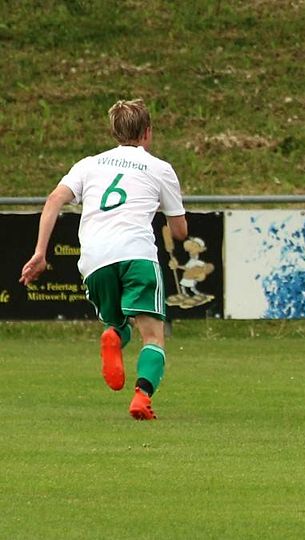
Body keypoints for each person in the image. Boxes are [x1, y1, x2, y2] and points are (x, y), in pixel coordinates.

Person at [20, 99, 188, 420]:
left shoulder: (89, 164)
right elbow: (179, 232)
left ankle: (113, 335)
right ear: (147, 132)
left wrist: (40, 252)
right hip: (136, 253)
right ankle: (142, 396)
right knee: (153, 335)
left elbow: (55, 199)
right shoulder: (159, 168)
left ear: (114, 132)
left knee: (118, 323)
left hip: (95, 259)